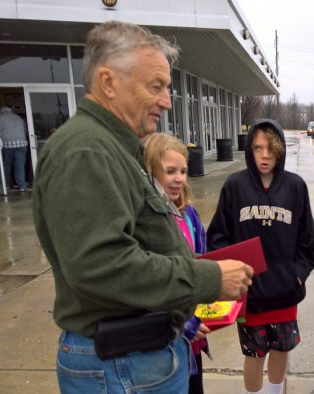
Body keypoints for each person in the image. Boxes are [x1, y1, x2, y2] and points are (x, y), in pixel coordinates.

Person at [32, 20, 253, 393]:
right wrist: (209, 279)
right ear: (108, 83)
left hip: (134, 360)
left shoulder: (112, 147)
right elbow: (101, 267)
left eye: (167, 88)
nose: (167, 101)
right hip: (121, 365)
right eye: (156, 87)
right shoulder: (86, 151)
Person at [207, 118, 314, 394]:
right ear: (249, 150)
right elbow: (218, 236)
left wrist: (298, 275)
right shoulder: (235, 185)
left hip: (285, 290)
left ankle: (274, 392)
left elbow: (307, 240)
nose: (264, 155)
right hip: (251, 294)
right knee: (254, 353)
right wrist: (231, 275)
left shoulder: (295, 186)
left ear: (280, 150)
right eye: (257, 148)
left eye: (270, 148)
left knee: (281, 348)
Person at [143, 132, 211, 394]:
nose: (179, 179)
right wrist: (184, 324)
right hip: (161, 345)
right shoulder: (142, 220)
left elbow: (200, 264)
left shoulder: (189, 214)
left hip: (193, 341)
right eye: (170, 171)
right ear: (149, 171)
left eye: (183, 171)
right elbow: (148, 284)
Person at [0, 105, 29, 191]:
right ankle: (22, 185)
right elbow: (25, 131)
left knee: (6, 165)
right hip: (22, 144)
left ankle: (6, 185)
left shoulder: (0, 117)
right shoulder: (18, 118)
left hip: (8, 144)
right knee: (20, 166)